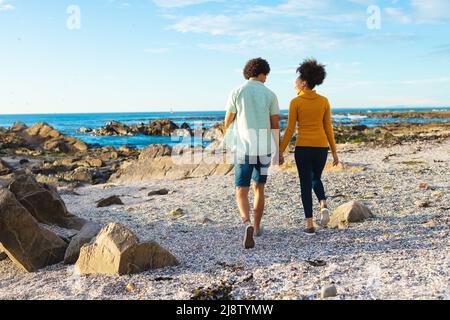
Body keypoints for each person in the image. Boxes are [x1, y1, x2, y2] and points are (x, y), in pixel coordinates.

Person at [223, 57, 281, 249]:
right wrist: (278, 150)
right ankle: (256, 228)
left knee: (241, 190)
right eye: (266, 75)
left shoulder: (237, 92)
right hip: (263, 151)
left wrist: (230, 138)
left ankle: (246, 222)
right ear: (261, 73)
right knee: (259, 188)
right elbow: (275, 125)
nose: (266, 79)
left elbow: (228, 120)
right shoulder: (270, 94)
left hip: (243, 150)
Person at [279, 59, 340, 236]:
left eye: (297, 79)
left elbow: (290, 129)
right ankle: (323, 204)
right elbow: (328, 127)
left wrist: (281, 151)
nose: (295, 83)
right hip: (321, 148)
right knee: (316, 178)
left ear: (304, 82)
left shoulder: (295, 102)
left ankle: (309, 224)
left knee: (305, 184)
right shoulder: (324, 101)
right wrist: (334, 152)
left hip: (303, 148)